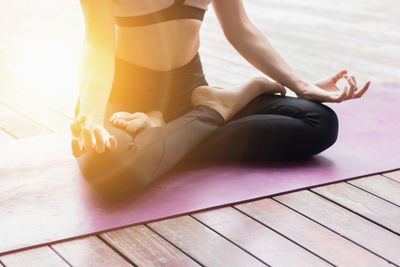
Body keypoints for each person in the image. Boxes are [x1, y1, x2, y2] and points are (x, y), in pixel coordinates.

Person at [71, 0, 370, 195]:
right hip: (122, 99)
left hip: (189, 93)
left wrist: (301, 85)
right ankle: (211, 113)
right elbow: (97, 44)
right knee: (108, 170)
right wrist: (94, 117)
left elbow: (240, 28)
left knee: (319, 122)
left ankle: (175, 130)